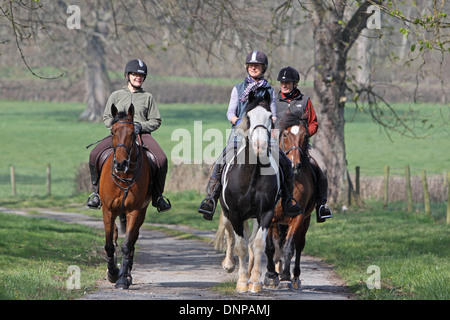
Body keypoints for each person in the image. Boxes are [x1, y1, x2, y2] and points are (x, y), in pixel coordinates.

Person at [198, 50, 301, 221]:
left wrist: (267, 121)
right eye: (251, 65)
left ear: (263, 68)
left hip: (263, 135)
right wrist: (239, 122)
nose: (254, 68)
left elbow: (274, 115)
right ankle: (210, 199)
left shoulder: (269, 91)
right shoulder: (238, 88)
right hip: (240, 134)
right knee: (222, 160)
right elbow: (230, 112)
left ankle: (289, 200)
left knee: (284, 162)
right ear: (247, 67)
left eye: (257, 65)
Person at [86, 59, 171, 213]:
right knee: (94, 154)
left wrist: (140, 126)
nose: (138, 77)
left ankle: (158, 197)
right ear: (127, 76)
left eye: (141, 75)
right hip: (120, 137)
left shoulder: (148, 97)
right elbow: (106, 118)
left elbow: (156, 120)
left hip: (142, 135)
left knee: (162, 159)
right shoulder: (116, 95)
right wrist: (118, 127)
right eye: (134, 74)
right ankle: (96, 194)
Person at [275, 66, 332, 222]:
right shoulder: (274, 100)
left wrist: (304, 135)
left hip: (301, 145)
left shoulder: (304, 101)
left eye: (288, 82)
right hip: (279, 146)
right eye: (282, 82)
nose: (284, 85)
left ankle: (321, 205)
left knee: (322, 166)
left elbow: (313, 123)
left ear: (295, 84)